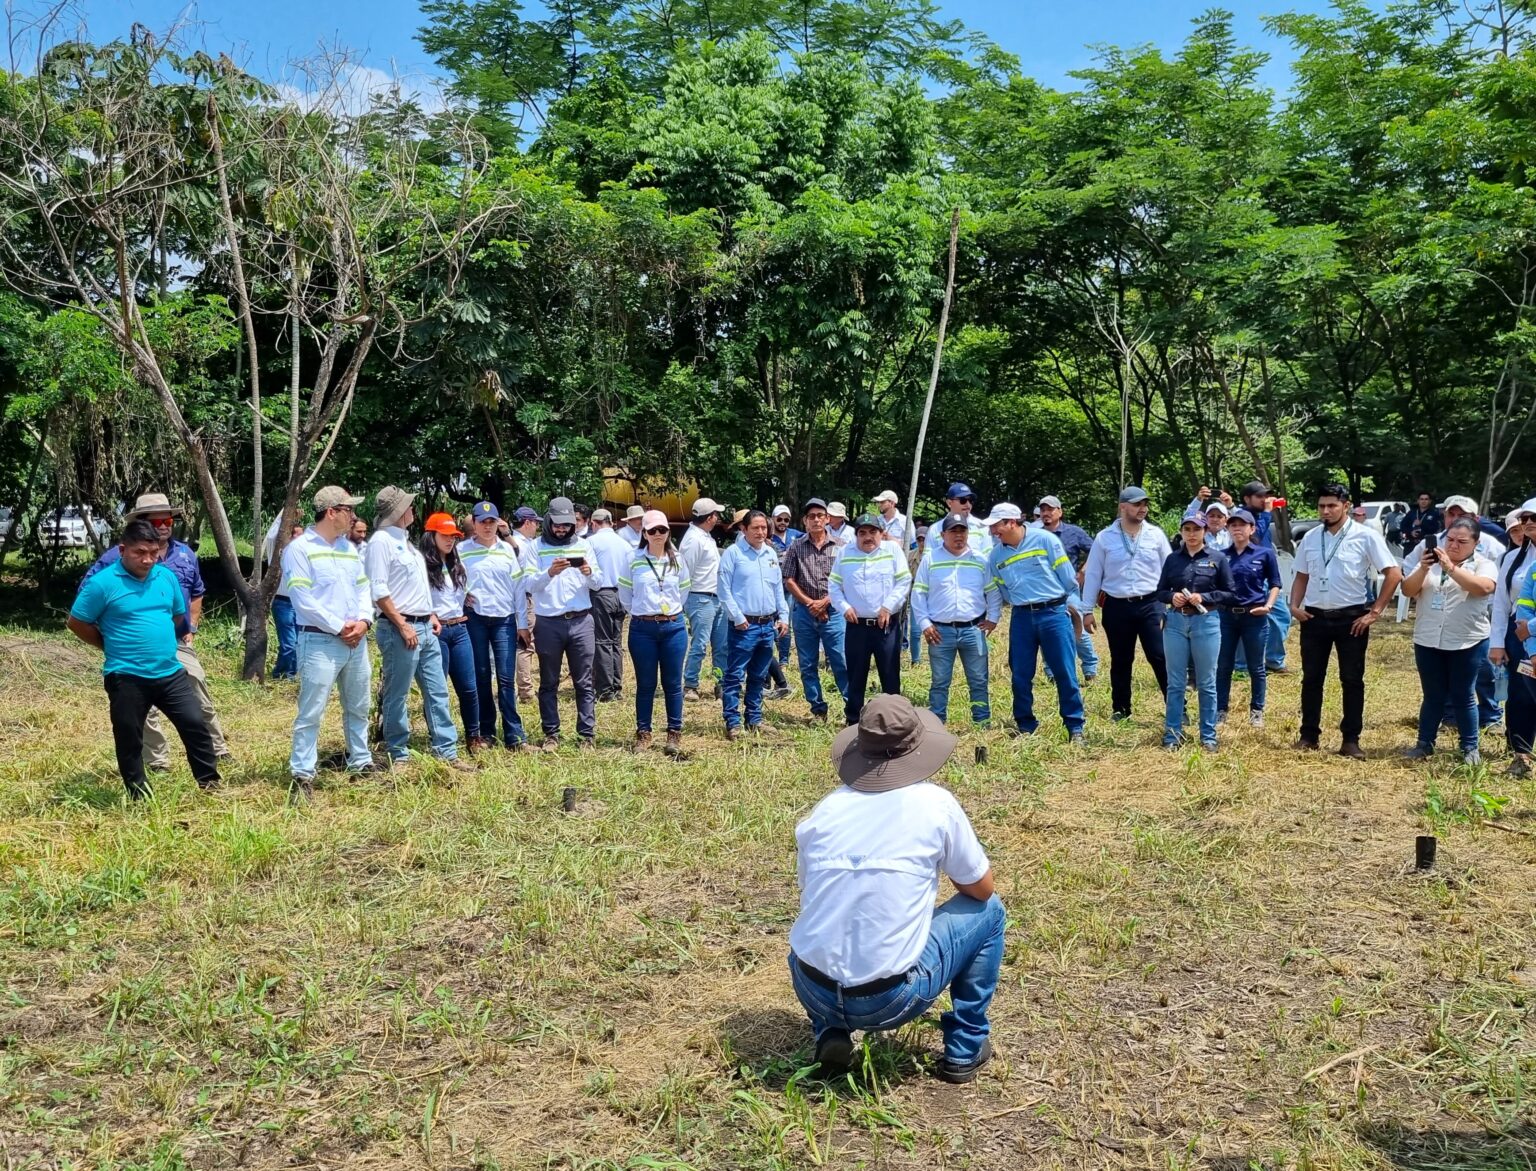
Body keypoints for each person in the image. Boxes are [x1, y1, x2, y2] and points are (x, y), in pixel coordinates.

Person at [788, 695, 1005, 1084]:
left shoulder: (822, 813)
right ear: (918, 749)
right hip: (888, 998)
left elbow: (810, 893)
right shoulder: (935, 805)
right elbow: (981, 888)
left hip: (812, 987)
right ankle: (965, 1046)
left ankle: (830, 1032)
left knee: (823, 921)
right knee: (990, 913)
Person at [68, 518, 221, 800]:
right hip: (126, 675)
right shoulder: (103, 584)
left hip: (168, 671)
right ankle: (139, 794)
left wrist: (158, 642)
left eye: (154, 553)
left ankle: (209, 783)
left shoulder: (166, 577)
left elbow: (178, 616)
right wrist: (108, 644)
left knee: (195, 723)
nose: (148, 559)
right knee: (129, 737)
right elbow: (77, 622)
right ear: (123, 549)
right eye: (140, 552)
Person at [365, 487, 473, 773]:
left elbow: (413, 587)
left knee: (437, 691)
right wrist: (402, 624)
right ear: (399, 512)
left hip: (424, 626)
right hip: (401, 628)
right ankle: (398, 753)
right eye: (408, 506)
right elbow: (379, 590)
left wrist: (430, 615)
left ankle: (446, 751)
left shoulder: (407, 543)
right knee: (397, 693)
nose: (413, 508)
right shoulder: (381, 543)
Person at [1291, 483, 1403, 758]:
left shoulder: (1365, 536)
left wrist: (1375, 612)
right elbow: (1302, 575)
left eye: (1332, 505)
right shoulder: (1311, 537)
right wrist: (1294, 605)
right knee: (1311, 678)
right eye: (1321, 506)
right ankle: (1309, 735)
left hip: (1351, 618)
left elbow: (1393, 573)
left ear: (1346, 505)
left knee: (1352, 679)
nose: (1326, 511)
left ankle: (1350, 739)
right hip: (1314, 617)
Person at [281, 486, 377, 802]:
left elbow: (364, 589)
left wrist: (364, 621)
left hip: (355, 640)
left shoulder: (349, 549)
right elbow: (302, 600)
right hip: (320, 640)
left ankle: (360, 762)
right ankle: (302, 774)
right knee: (312, 711)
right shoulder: (299, 549)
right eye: (348, 509)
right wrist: (339, 627)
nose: (353, 516)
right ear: (332, 512)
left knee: (358, 705)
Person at [1401, 494, 1506, 729]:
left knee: (1478, 679)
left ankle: (1489, 719)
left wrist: (1451, 567)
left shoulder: (1488, 548)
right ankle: (1443, 723)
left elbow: (1487, 586)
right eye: (1451, 514)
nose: (1455, 519)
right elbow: (1408, 585)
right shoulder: (1431, 548)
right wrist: (1425, 567)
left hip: (1476, 622)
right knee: (1437, 689)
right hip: (1433, 629)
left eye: (1462, 515)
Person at [985, 503, 1087, 743]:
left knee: (1064, 671)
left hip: (1053, 613)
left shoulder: (1045, 541)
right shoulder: (996, 555)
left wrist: (1058, 603)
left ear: (1011, 522)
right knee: (1020, 673)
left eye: (996, 526)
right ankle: (1025, 725)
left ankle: (1075, 726)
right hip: (1021, 617)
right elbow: (1003, 589)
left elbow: (1068, 579)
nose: (993, 532)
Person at [1081, 487, 1172, 722]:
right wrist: (1087, 610)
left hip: (1151, 603)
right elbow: (1093, 574)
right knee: (1121, 659)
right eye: (1136, 504)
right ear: (1123, 506)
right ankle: (1121, 709)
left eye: (1145, 504)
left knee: (1159, 655)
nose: (1142, 509)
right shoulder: (1104, 537)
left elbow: (1169, 569)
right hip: (1117, 605)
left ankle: (1176, 707)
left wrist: (1170, 602)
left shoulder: (1155, 534)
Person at [527, 496, 603, 748]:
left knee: (584, 681)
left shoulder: (583, 545)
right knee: (549, 681)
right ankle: (551, 733)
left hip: (581, 620)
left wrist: (589, 573)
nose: (562, 529)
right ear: (548, 521)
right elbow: (529, 584)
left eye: (567, 525)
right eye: (557, 525)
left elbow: (599, 582)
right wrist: (550, 572)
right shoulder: (535, 547)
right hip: (549, 622)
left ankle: (586, 734)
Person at [1156, 511, 1235, 750]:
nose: (1192, 534)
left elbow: (1230, 593)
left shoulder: (1217, 558)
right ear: (1181, 531)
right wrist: (1172, 596)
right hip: (1176, 623)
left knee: (1207, 681)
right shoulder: (1172, 559)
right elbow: (1159, 591)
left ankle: (1208, 736)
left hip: (1206, 621)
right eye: (1187, 529)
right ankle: (1172, 735)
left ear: (1205, 532)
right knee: (1175, 682)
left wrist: (1206, 596)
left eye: (1197, 530)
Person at [912, 514, 1000, 724]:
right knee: (940, 681)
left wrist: (993, 618)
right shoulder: (931, 559)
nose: (959, 536)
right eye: (953, 531)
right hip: (940, 632)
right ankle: (937, 723)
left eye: (963, 531)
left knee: (979, 680)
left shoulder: (980, 559)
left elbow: (993, 591)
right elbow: (918, 593)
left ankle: (982, 722)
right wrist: (925, 623)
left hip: (973, 629)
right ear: (943, 535)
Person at [460, 502, 531, 751]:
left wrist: (523, 624)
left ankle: (514, 735)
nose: (487, 527)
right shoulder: (461, 551)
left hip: (504, 620)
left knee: (505, 678)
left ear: (499, 524)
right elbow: (451, 582)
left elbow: (519, 589)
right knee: (481, 676)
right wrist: (462, 596)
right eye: (483, 522)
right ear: (475, 524)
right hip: (476, 619)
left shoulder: (506, 551)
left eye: (492, 522)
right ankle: (486, 732)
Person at [618, 509, 690, 757]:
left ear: (668, 532)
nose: (658, 534)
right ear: (644, 534)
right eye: (652, 530)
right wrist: (643, 612)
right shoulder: (633, 559)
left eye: (662, 530)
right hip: (643, 629)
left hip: (673, 627)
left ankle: (674, 732)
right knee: (646, 684)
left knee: (673, 684)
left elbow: (684, 591)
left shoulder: (678, 559)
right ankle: (644, 733)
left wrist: (668, 612)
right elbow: (625, 595)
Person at [829, 513, 910, 725]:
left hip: (885, 625)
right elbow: (834, 586)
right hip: (857, 626)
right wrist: (844, 607)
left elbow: (904, 581)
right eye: (862, 533)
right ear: (855, 535)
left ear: (881, 533)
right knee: (856, 675)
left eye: (872, 532)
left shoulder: (892, 551)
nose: (868, 537)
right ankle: (853, 720)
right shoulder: (845, 553)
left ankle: (894, 720)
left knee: (890, 674)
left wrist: (888, 607)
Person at [718, 510, 789, 739]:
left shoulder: (770, 554)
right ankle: (733, 722)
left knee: (759, 675)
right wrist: (738, 618)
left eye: (764, 528)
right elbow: (724, 589)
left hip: (767, 625)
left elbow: (777, 588)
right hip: (745, 626)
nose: (760, 532)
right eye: (755, 528)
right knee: (735, 675)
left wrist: (783, 616)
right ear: (744, 529)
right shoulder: (734, 553)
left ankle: (754, 719)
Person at [781, 498, 851, 722]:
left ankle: (852, 707)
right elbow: (789, 579)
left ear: (828, 519)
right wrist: (810, 603)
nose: (816, 520)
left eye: (820, 515)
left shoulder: (841, 546)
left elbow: (847, 580)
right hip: (804, 613)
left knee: (840, 660)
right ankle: (818, 709)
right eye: (811, 516)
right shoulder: (796, 546)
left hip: (834, 612)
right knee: (807, 663)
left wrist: (825, 602)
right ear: (804, 521)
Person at [1216, 509, 1282, 728]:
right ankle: (1221, 710)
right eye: (1232, 525)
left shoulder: (1264, 554)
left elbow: (1275, 583)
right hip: (1226, 616)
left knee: (1256, 667)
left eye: (1242, 525)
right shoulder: (1221, 556)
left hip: (1254, 616)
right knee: (1224, 666)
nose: (1237, 528)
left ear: (1252, 529)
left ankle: (1256, 710)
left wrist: (1268, 606)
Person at [421, 513, 481, 751]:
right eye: (444, 536)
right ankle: (440, 738)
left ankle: (473, 736)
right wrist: (430, 614)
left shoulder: (457, 564)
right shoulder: (422, 567)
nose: (450, 541)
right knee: (438, 691)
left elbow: (463, 593)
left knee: (469, 686)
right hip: (437, 632)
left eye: (453, 537)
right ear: (431, 536)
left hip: (460, 629)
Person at [1491, 501, 1536, 776]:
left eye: (1534, 517)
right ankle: (1521, 755)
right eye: (1525, 518)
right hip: (1518, 634)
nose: (1528, 522)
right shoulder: (1512, 558)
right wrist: (1497, 641)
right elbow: (1500, 602)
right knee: (1520, 694)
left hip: (1529, 628)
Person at [1037, 495, 1098, 684]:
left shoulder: (1074, 532)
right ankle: (1052, 673)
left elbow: (1096, 550)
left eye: (1050, 509)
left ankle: (1090, 669)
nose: (1046, 513)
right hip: (1044, 592)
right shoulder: (1035, 535)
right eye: (1043, 510)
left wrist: (1083, 572)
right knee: (1047, 632)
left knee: (1077, 628)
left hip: (1068, 591)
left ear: (1060, 512)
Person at [680, 498, 730, 701]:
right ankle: (690, 684)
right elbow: (685, 573)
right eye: (715, 514)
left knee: (721, 645)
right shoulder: (694, 540)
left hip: (715, 598)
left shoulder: (704, 536)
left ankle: (721, 684)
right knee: (700, 644)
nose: (717, 517)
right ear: (709, 518)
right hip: (700, 598)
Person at [1240, 481, 1292, 674]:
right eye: (1260, 496)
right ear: (1247, 499)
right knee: (1246, 621)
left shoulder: (1261, 515)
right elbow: (1255, 538)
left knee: (1281, 616)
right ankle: (1241, 666)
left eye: (1266, 496)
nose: (1265, 500)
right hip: (1250, 577)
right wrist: (1267, 513)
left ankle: (1273, 660)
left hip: (1267, 577)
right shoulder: (1242, 517)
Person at [587, 508, 633, 702]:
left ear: (594, 523)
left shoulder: (591, 542)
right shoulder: (624, 544)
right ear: (610, 522)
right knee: (615, 641)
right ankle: (616, 685)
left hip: (601, 593)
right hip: (620, 593)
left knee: (602, 642)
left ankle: (605, 690)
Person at [768, 505, 802, 694]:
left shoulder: (796, 535)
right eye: (779, 519)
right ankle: (771, 659)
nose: (782, 523)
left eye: (786, 520)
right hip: (771, 588)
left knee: (785, 623)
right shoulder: (766, 535)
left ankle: (784, 659)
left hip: (789, 587)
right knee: (769, 626)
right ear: (773, 519)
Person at [265, 519, 305, 681]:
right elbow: (271, 536)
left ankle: (291, 674)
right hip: (283, 602)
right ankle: (281, 674)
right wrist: (285, 513)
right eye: (295, 534)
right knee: (289, 643)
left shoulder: (304, 555)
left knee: (299, 642)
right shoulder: (279, 553)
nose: (298, 538)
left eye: (301, 535)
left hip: (300, 603)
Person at [509, 506, 541, 702]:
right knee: (525, 644)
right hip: (524, 597)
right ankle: (526, 692)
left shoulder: (509, 543)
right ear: (527, 523)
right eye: (536, 523)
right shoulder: (524, 547)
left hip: (511, 598)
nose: (537, 527)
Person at [944, 483, 992, 555]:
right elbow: (928, 560)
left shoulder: (982, 526)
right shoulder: (935, 529)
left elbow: (988, 558)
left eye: (970, 500)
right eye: (962, 500)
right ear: (949, 503)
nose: (968, 504)